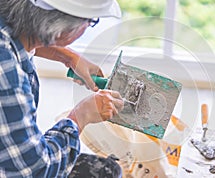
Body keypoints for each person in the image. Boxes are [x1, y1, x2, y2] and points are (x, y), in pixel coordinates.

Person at [0, 0, 124, 177]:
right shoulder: (7, 75)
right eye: (91, 22)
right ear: (60, 30)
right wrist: (81, 115)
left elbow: (21, 32)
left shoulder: (10, 17)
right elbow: (36, 171)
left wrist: (69, 57)